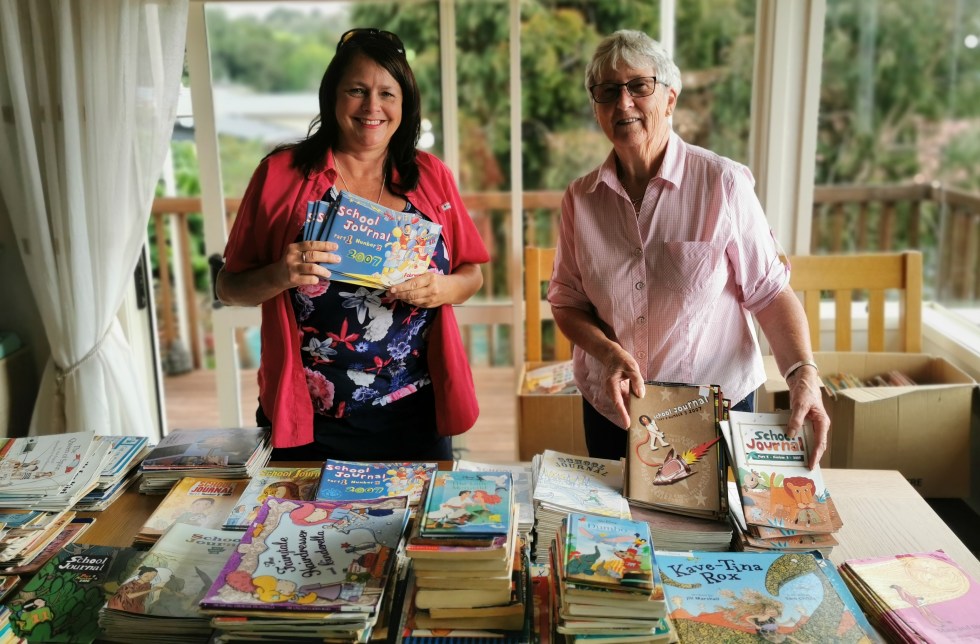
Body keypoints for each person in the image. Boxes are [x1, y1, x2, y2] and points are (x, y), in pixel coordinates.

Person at [547, 30, 829, 465]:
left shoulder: (723, 183)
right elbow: (567, 303)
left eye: (639, 86)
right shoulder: (580, 199)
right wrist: (607, 352)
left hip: (713, 408)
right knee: (616, 510)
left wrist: (802, 374)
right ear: (596, 107)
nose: (623, 103)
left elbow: (770, 293)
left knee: (716, 513)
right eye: (607, 91)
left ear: (669, 99)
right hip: (615, 408)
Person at [216, 28, 489, 461]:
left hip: (414, 410)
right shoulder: (280, 174)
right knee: (302, 509)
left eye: (387, 94)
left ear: (405, 104)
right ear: (333, 97)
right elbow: (228, 287)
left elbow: (472, 273)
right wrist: (279, 274)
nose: (372, 107)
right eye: (357, 90)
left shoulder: (430, 175)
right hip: (307, 417)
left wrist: (443, 288)